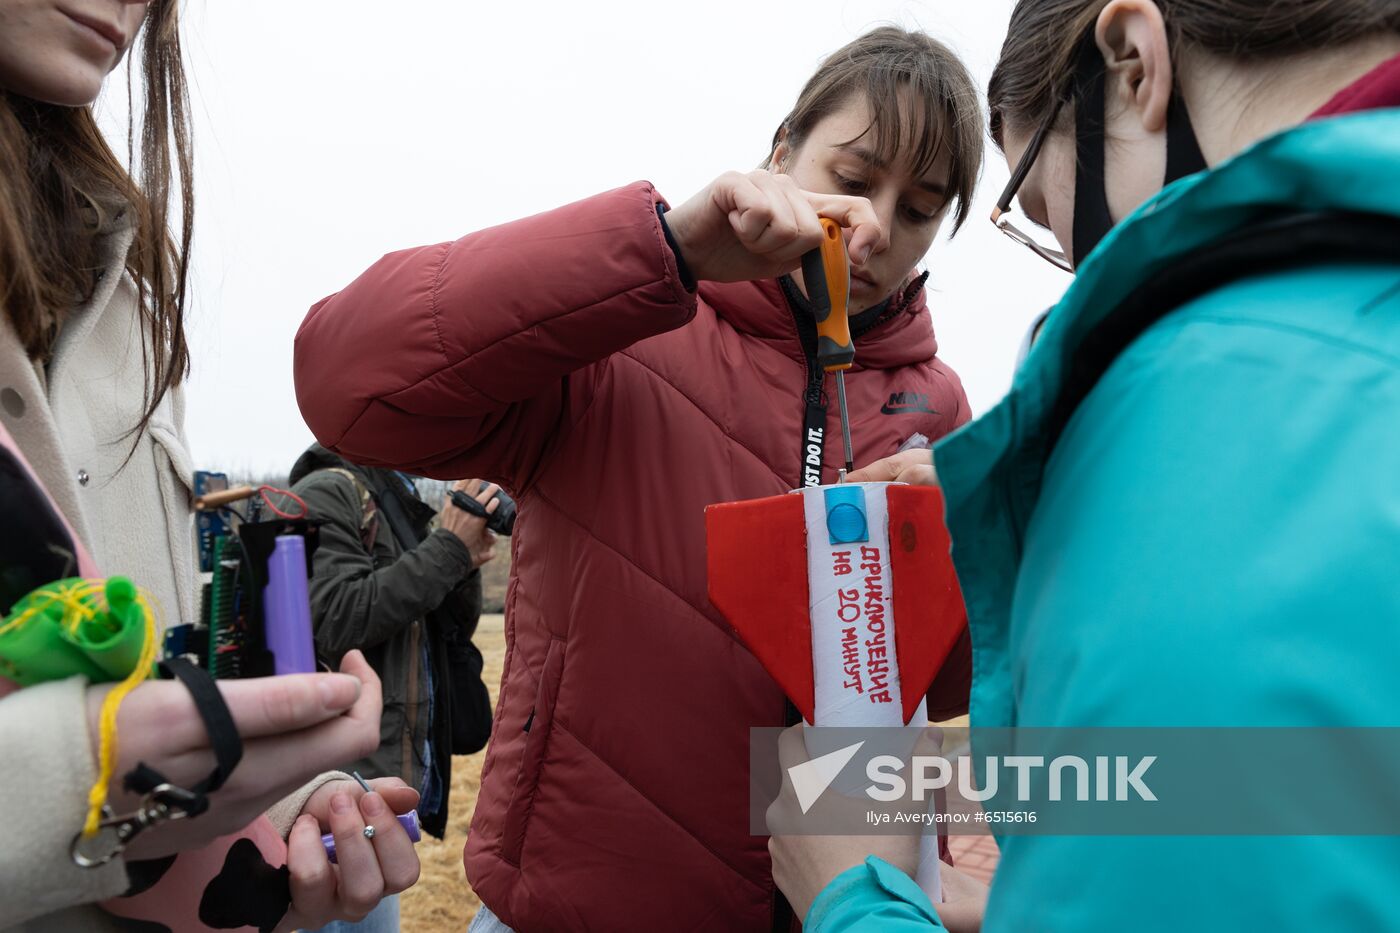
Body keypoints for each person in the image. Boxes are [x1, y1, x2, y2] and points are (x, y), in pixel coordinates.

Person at [293, 26, 982, 933]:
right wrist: (670, 248)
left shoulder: (938, 402)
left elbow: (946, 687)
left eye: (923, 209)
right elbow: (350, 386)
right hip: (578, 905)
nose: (881, 228)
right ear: (781, 152)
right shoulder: (625, 331)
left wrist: (975, 546)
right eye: (853, 180)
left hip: (834, 906)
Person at [768, 1, 1400, 929]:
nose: (1067, 250)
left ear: (1134, 60)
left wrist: (853, 898)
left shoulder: (1195, 406)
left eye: (1038, 199)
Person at [0, 1, 419, 929]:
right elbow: (348, 608)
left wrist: (274, 800)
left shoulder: (126, 287)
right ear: (781, 145)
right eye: (830, 170)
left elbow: (163, 659)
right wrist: (84, 778)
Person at [288, 447, 501, 933]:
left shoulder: (399, 509)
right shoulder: (331, 490)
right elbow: (335, 619)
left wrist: (462, 559)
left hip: (371, 789)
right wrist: (448, 547)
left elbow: (444, 628)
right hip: (328, 791)